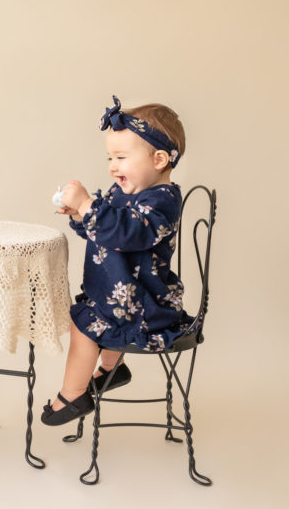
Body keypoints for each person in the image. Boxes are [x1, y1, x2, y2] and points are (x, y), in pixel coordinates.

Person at [41, 96, 192, 426]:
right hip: (122, 298)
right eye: (110, 157)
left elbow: (128, 233)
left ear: (159, 159)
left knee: (85, 326)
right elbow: (103, 231)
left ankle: (72, 395)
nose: (112, 166)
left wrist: (89, 206)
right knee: (99, 315)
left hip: (144, 305)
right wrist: (81, 213)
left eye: (121, 157)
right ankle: (112, 368)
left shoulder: (162, 201)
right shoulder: (122, 192)